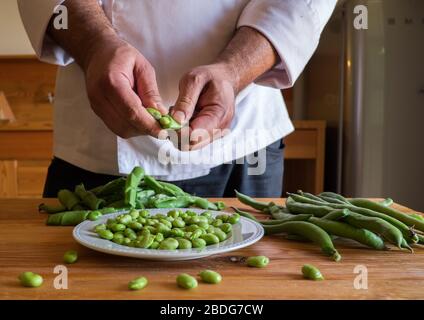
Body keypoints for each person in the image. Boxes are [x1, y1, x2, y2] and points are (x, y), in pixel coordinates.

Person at [18, 0, 336, 198]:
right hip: (98, 144)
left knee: (242, 286)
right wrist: (94, 45)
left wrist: (235, 70)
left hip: (244, 140)